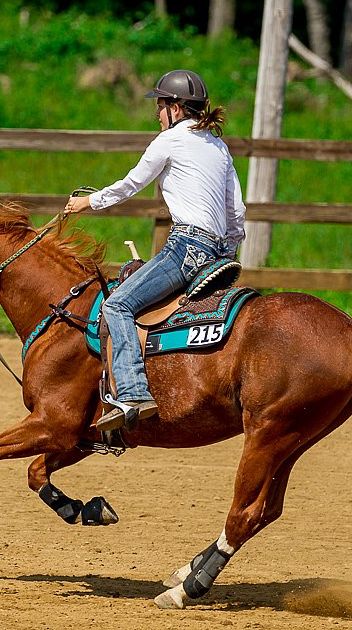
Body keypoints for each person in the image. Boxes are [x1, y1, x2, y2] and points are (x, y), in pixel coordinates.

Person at [63, 69, 246, 432]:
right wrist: (227, 250)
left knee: (118, 304)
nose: (157, 114)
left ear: (176, 108)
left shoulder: (169, 141)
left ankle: (131, 392)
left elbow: (131, 184)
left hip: (185, 246)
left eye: (161, 105)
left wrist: (87, 204)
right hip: (217, 252)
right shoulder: (218, 146)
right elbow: (236, 212)